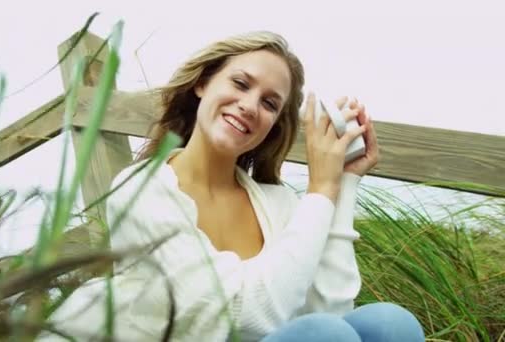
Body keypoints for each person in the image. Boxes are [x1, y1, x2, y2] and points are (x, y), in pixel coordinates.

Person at [46, 31, 425, 342]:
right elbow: (245, 315)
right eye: (240, 84)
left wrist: (342, 185)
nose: (248, 105)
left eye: (269, 103)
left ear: (273, 125)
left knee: (390, 324)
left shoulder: (278, 204)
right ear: (203, 83)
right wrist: (320, 188)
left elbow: (333, 309)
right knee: (322, 335)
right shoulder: (142, 189)